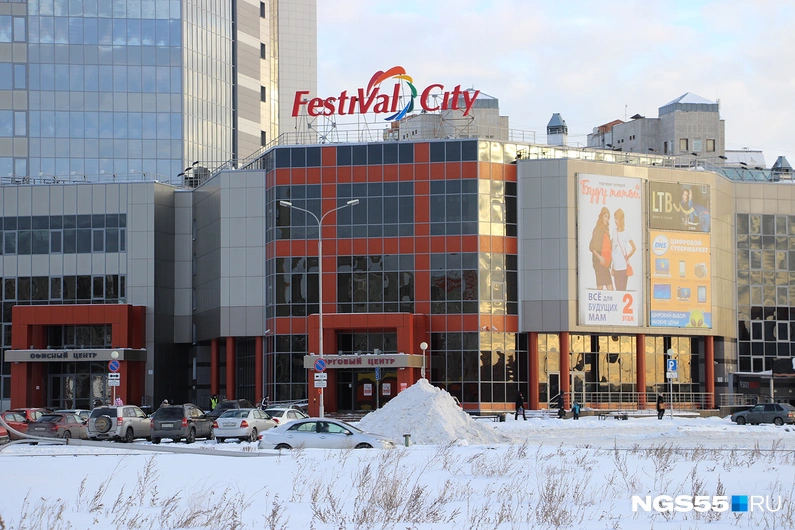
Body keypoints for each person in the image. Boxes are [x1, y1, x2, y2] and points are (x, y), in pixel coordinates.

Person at [610, 208, 636, 291]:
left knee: (622, 290)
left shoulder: (626, 232)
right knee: (617, 290)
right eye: (615, 218)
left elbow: (634, 248)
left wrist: (628, 256)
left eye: (617, 218)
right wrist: (612, 266)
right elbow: (612, 249)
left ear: (621, 219)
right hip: (615, 267)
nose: (615, 220)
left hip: (623, 267)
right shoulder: (614, 231)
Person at [588, 207, 614, 290]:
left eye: (608, 217)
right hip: (599, 261)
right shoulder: (597, 229)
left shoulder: (606, 230)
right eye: (605, 216)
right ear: (601, 216)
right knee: (601, 285)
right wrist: (600, 258)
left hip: (605, 261)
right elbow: (592, 247)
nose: (607, 219)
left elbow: (606, 245)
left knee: (608, 285)